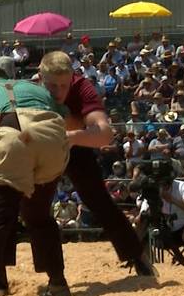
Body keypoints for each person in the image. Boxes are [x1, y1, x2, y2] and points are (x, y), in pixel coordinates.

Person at [0, 66, 71, 296]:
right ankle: (58, 283)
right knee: (39, 216)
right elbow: (65, 114)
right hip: (51, 135)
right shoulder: (32, 87)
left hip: (10, 134)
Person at [37, 51, 154, 276]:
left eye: (63, 85)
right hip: (41, 148)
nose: (58, 92)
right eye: (52, 86)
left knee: (99, 201)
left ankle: (136, 255)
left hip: (76, 145)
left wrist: (69, 136)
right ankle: (44, 272)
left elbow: (104, 134)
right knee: (34, 205)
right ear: (41, 79)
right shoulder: (32, 91)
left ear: (72, 77)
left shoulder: (82, 87)